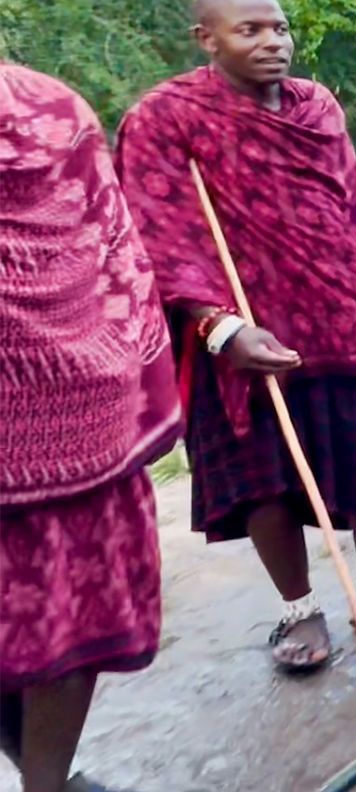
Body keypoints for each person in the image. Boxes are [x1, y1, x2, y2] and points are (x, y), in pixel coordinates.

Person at [115, 0, 356, 675]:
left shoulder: (316, 106)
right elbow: (160, 230)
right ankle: (299, 612)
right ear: (207, 39)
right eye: (250, 30)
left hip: (342, 321)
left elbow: (355, 208)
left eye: (279, 28)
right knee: (266, 477)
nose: (273, 42)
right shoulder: (167, 117)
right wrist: (220, 327)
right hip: (244, 333)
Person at [0, 65, 181, 792]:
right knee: (58, 619)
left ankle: (46, 782)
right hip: (84, 407)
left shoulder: (48, 110)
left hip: (70, 415)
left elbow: (104, 238)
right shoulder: (53, 103)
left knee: (63, 619)